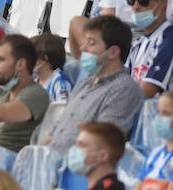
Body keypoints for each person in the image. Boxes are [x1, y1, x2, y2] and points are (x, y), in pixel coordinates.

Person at [45, 15, 145, 150]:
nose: (82, 48)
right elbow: (58, 131)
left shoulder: (124, 89)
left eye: (91, 43)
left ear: (113, 52)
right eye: (84, 41)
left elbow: (101, 143)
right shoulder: (85, 83)